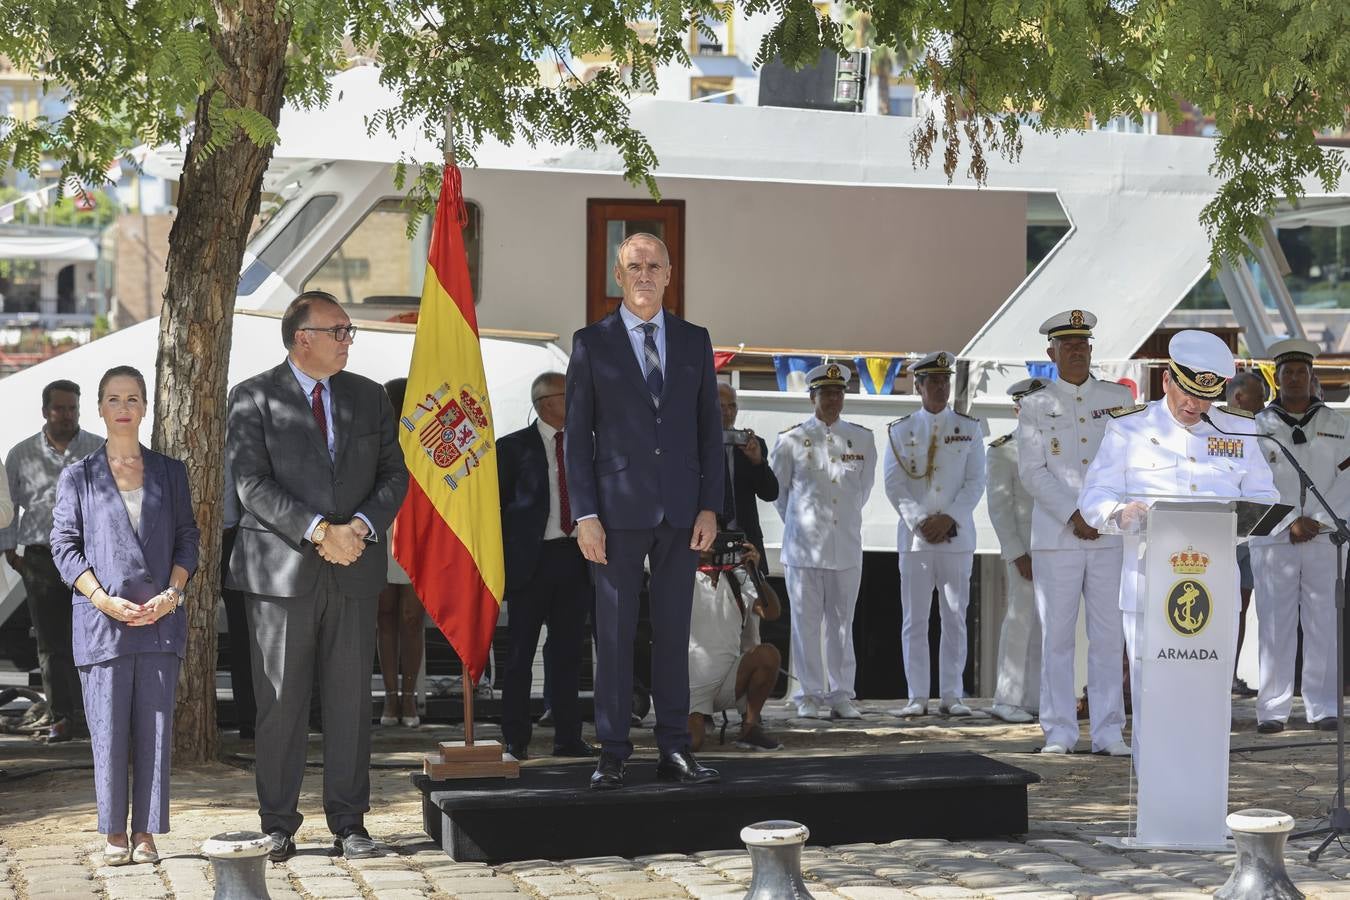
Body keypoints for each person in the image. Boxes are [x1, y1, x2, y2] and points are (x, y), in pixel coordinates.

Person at [225, 290, 408, 861]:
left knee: (351, 699)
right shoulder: (253, 397)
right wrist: (316, 530)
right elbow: (250, 484)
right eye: (340, 330)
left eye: (349, 331)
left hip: (354, 567)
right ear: (303, 336)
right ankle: (277, 822)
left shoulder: (370, 396)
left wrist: (358, 526)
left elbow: (393, 474)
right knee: (280, 703)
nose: (348, 339)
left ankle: (350, 823)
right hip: (280, 572)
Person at [565, 232, 723, 791]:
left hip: (681, 513)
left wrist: (711, 506)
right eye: (635, 266)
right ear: (617, 274)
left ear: (670, 274)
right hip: (614, 513)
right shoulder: (592, 343)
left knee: (675, 634)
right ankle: (611, 752)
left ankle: (675, 747)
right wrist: (584, 514)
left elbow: (710, 430)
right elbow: (576, 438)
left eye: (655, 266)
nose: (645, 275)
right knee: (613, 635)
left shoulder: (694, 340)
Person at [1079, 330, 1278, 727]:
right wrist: (1120, 513)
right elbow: (1093, 496)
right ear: (1167, 380)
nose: (1194, 404)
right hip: (1149, 581)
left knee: (1208, 701)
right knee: (1152, 697)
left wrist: (1241, 519)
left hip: (1216, 584)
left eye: (1205, 397)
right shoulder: (1129, 428)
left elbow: (1267, 498)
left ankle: (1204, 785)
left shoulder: (1237, 430)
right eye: (1187, 393)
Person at [49, 365, 199, 866]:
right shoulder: (78, 476)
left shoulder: (170, 472)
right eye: (114, 398)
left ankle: (147, 833)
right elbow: (64, 547)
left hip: (160, 623)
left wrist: (172, 595)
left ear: (144, 407)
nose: (123, 407)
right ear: (100, 407)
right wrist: (101, 599)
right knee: (109, 733)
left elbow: (188, 541)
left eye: (133, 398)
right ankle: (113, 831)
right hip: (102, 626)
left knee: (154, 731)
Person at [1016, 310, 1134, 756]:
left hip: (1108, 534)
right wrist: (1074, 514)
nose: (1077, 352)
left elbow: (1127, 464)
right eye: (1067, 346)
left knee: (1108, 636)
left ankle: (1108, 731)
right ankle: (1060, 730)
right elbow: (1032, 472)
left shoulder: (1117, 398)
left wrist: (1102, 515)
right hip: (1057, 535)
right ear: (1052, 353)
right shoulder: (1035, 405)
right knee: (1059, 637)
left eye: (1083, 345)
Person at [1248, 339, 1350, 734]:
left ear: (1312, 378)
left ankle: (1322, 707)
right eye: (1287, 372)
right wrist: (1289, 521)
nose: (1294, 378)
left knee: (1324, 621)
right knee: (1274, 622)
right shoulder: (1257, 427)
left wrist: (1318, 520)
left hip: (1326, 538)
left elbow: (1347, 481)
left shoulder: (1338, 424)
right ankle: (1272, 709)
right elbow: (1252, 484)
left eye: (1301, 372)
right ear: (1276, 378)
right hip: (1275, 539)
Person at [498, 371, 596, 761]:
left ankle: (568, 737)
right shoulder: (512, 448)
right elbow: (498, 508)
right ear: (545, 403)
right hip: (530, 561)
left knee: (569, 651)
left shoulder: (588, 445)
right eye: (566, 393)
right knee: (520, 652)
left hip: (576, 558)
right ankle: (515, 738)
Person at [770, 362, 877, 721]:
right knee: (805, 624)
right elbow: (780, 495)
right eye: (825, 393)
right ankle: (810, 694)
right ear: (812, 396)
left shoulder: (862, 439)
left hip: (845, 547)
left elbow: (861, 492)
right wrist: (804, 527)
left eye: (838, 392)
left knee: (842, 624)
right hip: (803, 549)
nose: (833, 399)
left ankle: (841, 693)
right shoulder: (790, 440)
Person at [883, 351, 987, 718]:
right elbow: (893, 485)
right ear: (919, 386)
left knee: (955, 616)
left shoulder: (970, 428)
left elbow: (976, 482)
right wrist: (920, 521)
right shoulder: (900, 430)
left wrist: (950, 518)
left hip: (956, 536)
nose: (941, 387)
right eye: (933, 381)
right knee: (915, 619)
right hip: (916, 539)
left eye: (946, 381)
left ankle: (952, 695)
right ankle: (917, 696)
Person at [0, 379, 105, 742]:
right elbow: (7, 507)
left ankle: (95, 716)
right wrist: (11, 551)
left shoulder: (98, 449)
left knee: (92, 640)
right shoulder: (21, 454)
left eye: (72, 408)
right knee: (51, 643)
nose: (66, 415)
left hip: (89, 556)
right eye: (59, 408)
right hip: (41, 561)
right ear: (45, 411)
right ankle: (62, 716)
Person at [688, 539, 783, 752]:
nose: (712, 541)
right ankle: (690, 718)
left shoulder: (737, 577)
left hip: (730, 679)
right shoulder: (678, 572)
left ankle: (750, 727)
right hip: (689, 686)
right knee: (692, 743)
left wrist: (754, 572)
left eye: (718, 536)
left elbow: (771, 612)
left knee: (768, 655)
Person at [986, 377, 1044, 724]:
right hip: (1024, 549)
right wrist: (1016, 552)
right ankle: (1006, 698)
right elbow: (999, 508)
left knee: (1047, 626)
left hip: (1056, 548)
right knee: (1020, 620)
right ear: (1017, 409)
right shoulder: (1003, 450)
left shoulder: (1056, 445)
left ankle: (1035, 697)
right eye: (1029, 405)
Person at [377, 377, 426, 729]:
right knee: (385, 613)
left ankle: (409, 697)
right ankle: (390, 697)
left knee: (411, 617)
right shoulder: (375, 438)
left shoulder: (424, 438)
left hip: (416, 534)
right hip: (380, 530)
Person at [1227, 370, 1266, 699]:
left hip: (1251, 532)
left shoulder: (1260, 431)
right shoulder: (1212, 425)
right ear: (1239, 398)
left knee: (1240, 606)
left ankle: (1230, 673)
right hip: (1217, 534)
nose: (1265, 404)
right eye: (1259, 397)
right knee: (1217, 606)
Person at [718, 382, 779, 572]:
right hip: (709, 539)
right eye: (720, 406)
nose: (727, 413)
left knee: (754, 600)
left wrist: (757, 461)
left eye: (732, 406)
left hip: (746, 541)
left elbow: (770, 493)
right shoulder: (695, 444)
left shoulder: (753, 444)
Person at [221, 459, 255, 738]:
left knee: (245, 633)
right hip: (193, 539)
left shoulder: (243, 419)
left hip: (241, 538)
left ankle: (251, 721)